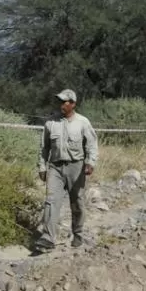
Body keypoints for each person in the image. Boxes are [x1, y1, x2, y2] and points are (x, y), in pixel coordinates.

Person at [34, 89, 99, 252]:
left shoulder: (83, 122)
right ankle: (48, 238)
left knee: (77, 201)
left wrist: (90, 162)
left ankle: (77, 233)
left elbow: (92, 144)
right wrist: (42, 166)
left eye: (65, 102)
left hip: (76, 167)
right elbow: (44, 147)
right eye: (60, 101)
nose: (61, 104)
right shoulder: (50, 123)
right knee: (51, 202)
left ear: (73, 104)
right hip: (55, 167)